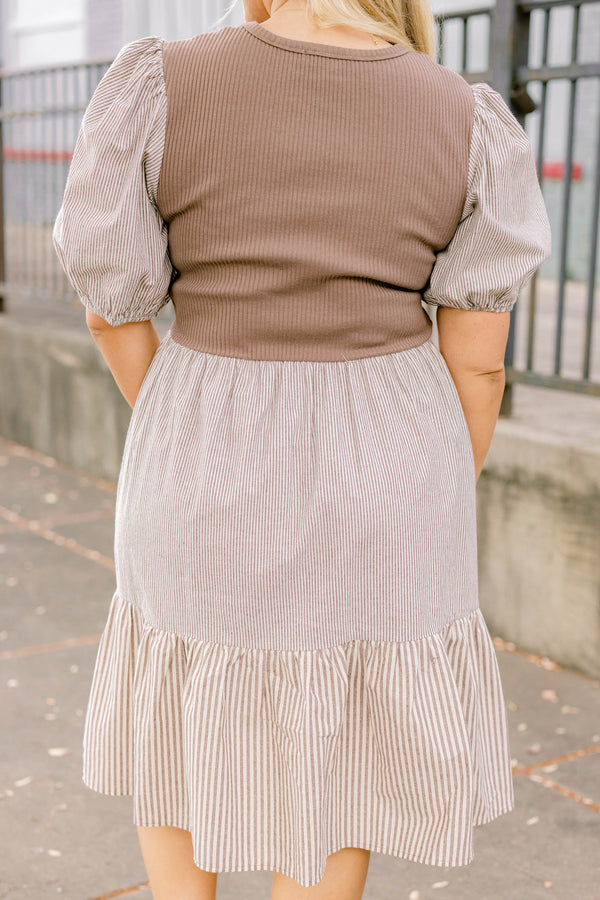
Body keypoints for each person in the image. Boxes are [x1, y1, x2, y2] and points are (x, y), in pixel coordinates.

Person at [51, 0, 552, 897]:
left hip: (201, 438)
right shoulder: (462, 116)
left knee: (182, 692)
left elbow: (110, 305)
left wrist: (177, 425)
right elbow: (478, 366)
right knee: (347, 731)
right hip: (391, 453)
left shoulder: (163, 83)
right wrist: (427, 483)